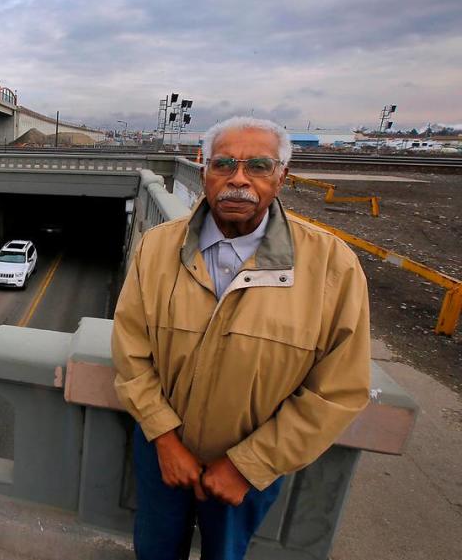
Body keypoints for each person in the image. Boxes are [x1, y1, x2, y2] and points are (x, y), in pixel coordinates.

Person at [112, 117, 370, 560]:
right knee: (154, 550)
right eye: (224, 164)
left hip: (250, 471)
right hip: (162, 454)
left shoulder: (333, 267)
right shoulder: (156, 248)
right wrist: (165, 439)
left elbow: (338, 389)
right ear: (204, 169)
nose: (238, 180)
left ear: (282, 176)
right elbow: (131, 350)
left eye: (258, 166)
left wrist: (249, 466)